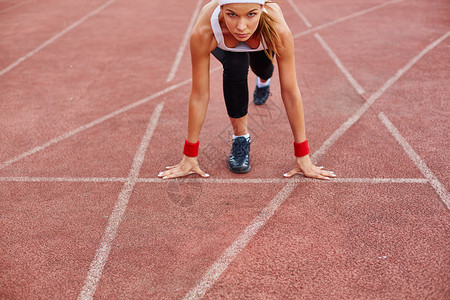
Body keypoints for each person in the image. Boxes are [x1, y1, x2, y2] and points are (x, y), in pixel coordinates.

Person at [158, 0, 335, 180]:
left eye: (251, 14)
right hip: (227, 47)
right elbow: (199, 94)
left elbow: (290, 91)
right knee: (236, 65)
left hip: (262, 39)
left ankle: (264, 80)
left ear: (261, 9)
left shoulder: (278, 30)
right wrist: (189, 155)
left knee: (264, 68)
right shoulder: (205, 31)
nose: (241, 27)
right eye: (232, 14)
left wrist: (302, 155)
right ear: (222, 9)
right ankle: (240, 137)